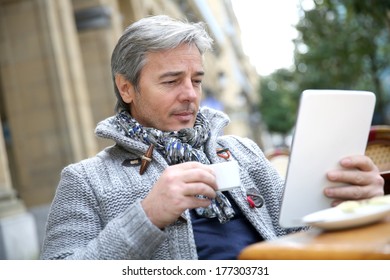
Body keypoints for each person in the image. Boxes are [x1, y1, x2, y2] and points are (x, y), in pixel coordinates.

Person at [40, 15, 384, 260]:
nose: (190, 94)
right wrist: (146, 216)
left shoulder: (242, 152)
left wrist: (351, 205)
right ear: (126, 87)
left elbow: (301, 239)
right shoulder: (85, 179)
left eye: (197, 80)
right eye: (172, 81)